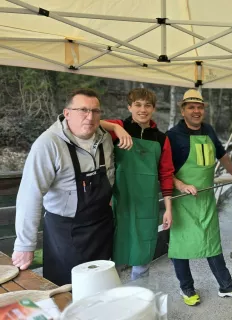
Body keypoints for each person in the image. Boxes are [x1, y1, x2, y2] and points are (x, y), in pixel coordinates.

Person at [12, 89, 115, 285]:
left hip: (101, 227)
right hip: (66, 233)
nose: (90, 116)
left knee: (99, 287)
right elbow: (30, 195)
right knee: (66, 290)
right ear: (66, 113)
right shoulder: (48, 144)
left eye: (95, 111)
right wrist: (25, 245)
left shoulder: (105, 139)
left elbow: (110, 176)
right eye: (83, 110)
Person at [166, 89, 232, 306]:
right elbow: (164, 170)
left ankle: (226, 285)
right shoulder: (173, 136)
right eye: (191, 107)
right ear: (182, 110)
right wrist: (182, 185)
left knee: (212, 242)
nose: (196, 111)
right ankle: (186, 288)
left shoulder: (209, 130)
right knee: (181, 245)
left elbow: (222, 154)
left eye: (199, 107)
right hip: (182, 199)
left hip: (205, 197)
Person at [100, 88, 175, 280]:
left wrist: (168, 209)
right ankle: (114, 304)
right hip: (119, 202)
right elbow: (91, 123)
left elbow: (166, 174)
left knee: (142, 257)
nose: (143, 109)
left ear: (154, 109)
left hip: (147, 204)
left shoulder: (161, 139)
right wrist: (116, 128)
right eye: (138, 105)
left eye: (147, 105)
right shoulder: (118, 128)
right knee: (112, 260)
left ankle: (140, 303)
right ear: (129, 107)